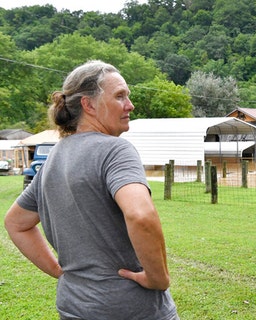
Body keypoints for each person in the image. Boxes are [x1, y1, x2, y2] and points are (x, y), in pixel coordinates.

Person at [4, 60, 178, 320]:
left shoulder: (54, 158)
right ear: (89, 105)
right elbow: (140, 215)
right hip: (132, 310)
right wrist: (158, 278)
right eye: (120, 96)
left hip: (74, 307)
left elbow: (15, 223)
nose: (130, 105)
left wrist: (58, 271)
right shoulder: (116, 150)